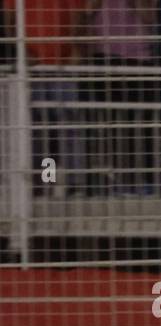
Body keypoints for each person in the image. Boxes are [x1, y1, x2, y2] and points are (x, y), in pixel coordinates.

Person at [5, 0, 90, 198]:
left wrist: (76, 46)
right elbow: (9, 21)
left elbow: (78, 14)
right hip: (33, 67)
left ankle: (75, 183)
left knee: (68, 126)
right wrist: (22, 52)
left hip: (63, 65)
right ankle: (46, 182)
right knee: (42, 133)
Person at [83, 0, 158, 195]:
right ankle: (115, 178)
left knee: (140, 122)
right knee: (111, 122)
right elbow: (86, 12)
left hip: (138, 58)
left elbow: (150, 19)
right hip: (104, 57)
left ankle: (144, 179)